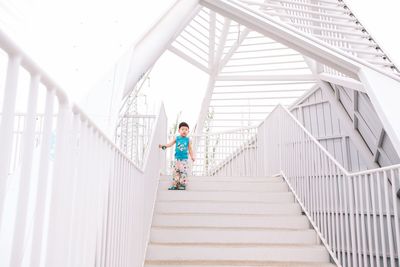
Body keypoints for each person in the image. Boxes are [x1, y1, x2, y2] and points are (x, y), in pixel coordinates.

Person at [159, 122, 195, 190]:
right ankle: (175, 185)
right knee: (176, 172)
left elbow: (190, 149)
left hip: (184, 159)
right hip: (177, 159)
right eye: (182, 129)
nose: (184, 131)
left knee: (183, 172)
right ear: (179, 130)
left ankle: (182, 185)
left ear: (188, 131)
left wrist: (192, 156)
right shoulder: (177, 138)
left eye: (186, 130)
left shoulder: (188, 140)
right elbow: (170, 144)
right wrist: (163, 146)